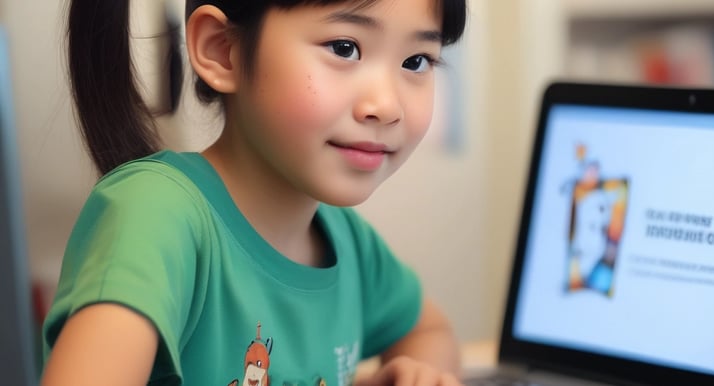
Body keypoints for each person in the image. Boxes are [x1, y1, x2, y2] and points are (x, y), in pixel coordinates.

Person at [40, 0, 467, 385]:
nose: (387, 106)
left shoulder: (347, 241)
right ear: (221, 49)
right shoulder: (153, 215)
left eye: (416, 61)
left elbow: (430, 332)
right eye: (344, 48)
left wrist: (417, 374)